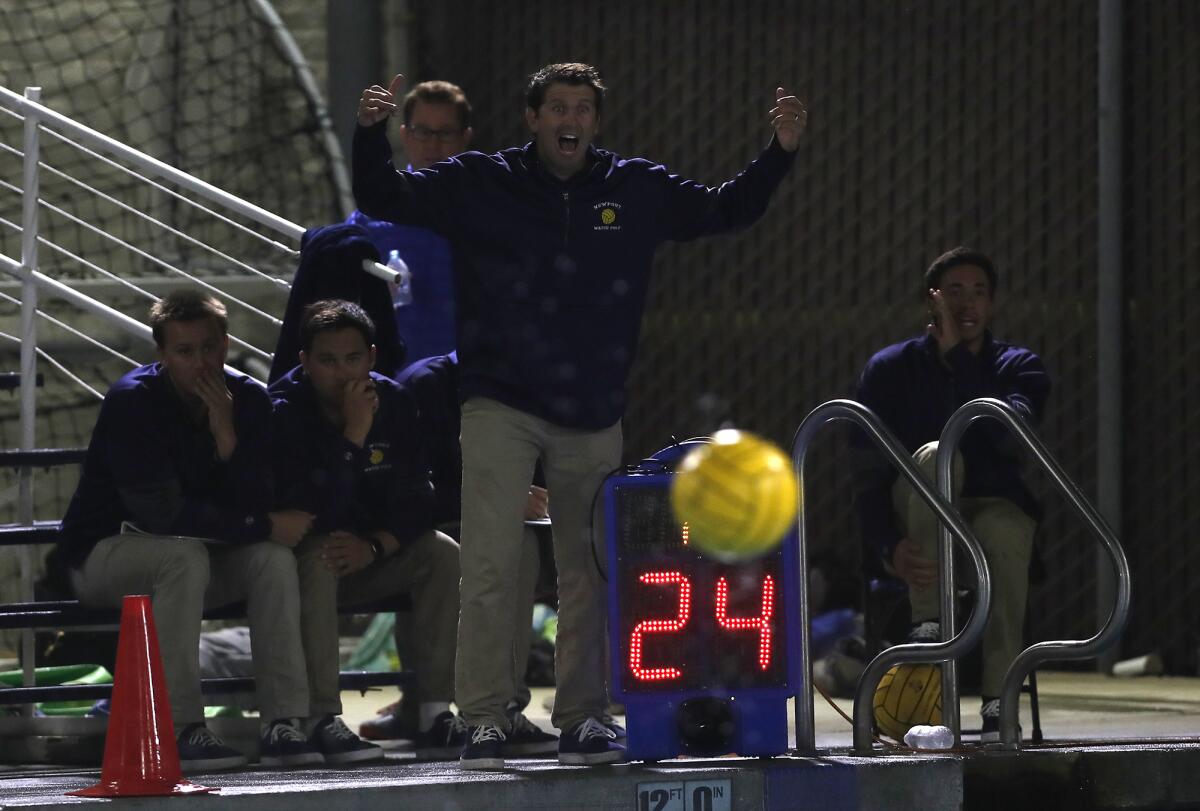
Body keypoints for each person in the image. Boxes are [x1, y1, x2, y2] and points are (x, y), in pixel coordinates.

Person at [353, 62, 806, 769]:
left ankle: (584, 714)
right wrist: (368, 133)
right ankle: (483, 717)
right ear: (532, 118)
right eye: (557, 106)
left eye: (583, 108)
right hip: (500, 398)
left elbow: (726, 209)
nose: (570, 119)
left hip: (590, 408)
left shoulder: (634, 187)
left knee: (587, 568)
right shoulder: (483, 182)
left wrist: (779, 152)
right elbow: (382, 193)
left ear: (595, 120)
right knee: (492, 564)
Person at [51, 290, 322, 771]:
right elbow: (162, 516)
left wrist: (226, 435)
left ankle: (284, 723)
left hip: (198, 557)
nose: (200, 363)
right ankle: (180, 728)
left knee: (272, 559)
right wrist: (256, 522)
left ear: (226, 344)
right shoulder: (133, 402)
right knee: (182, 554)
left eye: (209, 348)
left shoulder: (250, 399)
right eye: (184, 351)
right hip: (103, 556)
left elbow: (258, 497)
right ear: (161, 355)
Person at [851, 247, 1051, 741]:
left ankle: (997, 699)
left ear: (993, 304)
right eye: (955, 292)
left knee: (1005, 535)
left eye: (979, 292)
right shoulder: (889, 370)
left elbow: (1006, 433)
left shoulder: (1018, 366)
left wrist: (957, 359)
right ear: (931, 301)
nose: (968, 303)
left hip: (991, 504)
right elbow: (867, 472)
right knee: (937, 455)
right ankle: (928, 621)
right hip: (917, 506)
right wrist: (884, 545)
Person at [268, 300, 464, 759]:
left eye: (352, 358)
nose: (341, 372)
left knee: (443, 554)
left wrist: (376, 546)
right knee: (321, 555)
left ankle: (434, 712)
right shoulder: (281, 409)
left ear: (372, 357)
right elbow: (309, 510)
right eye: (327, 360)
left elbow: (420, 500)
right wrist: (354, 436)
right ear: (305, 362)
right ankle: (321, 717)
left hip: (371, 553)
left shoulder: (395, 402)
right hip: (305, 561)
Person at [347, 79, 475, 364]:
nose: (432, 144)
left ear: (465, 137)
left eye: (445, 133)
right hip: (393, 379)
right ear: (405, 135)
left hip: (466, 378)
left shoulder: (484, 210)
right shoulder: (370, 219)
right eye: (422, 131)